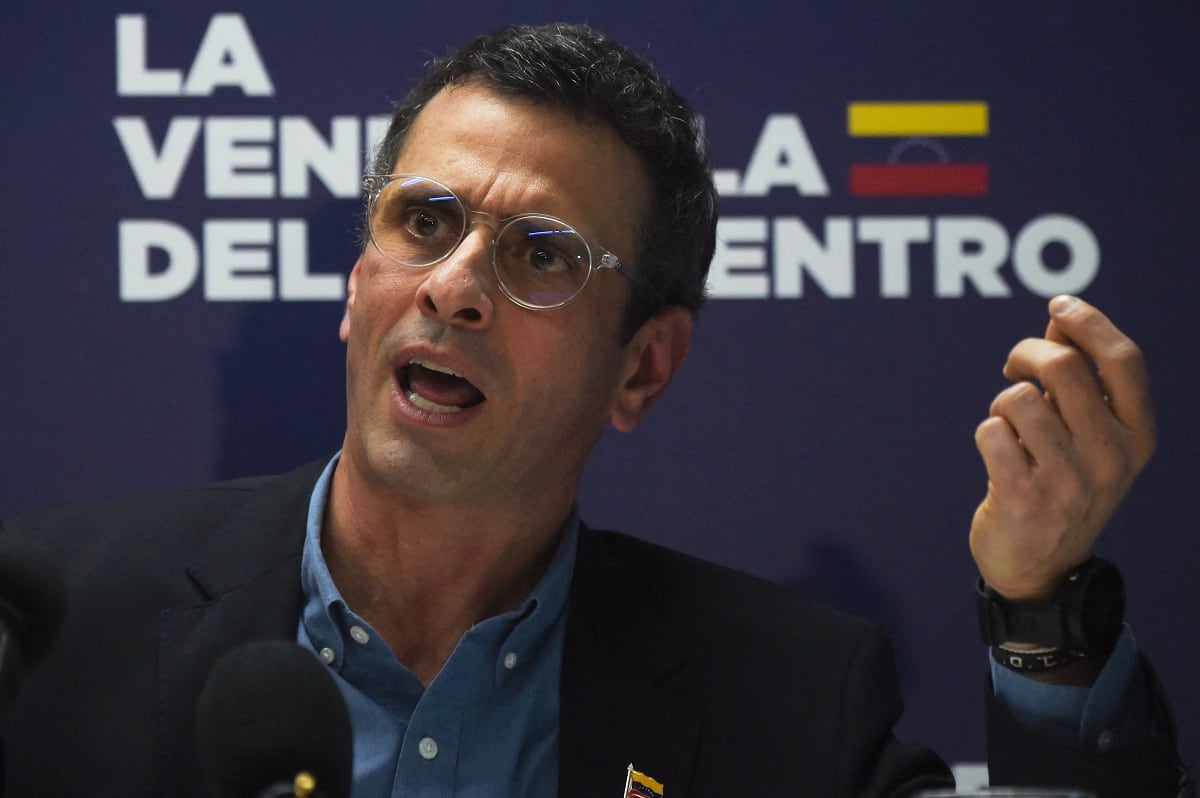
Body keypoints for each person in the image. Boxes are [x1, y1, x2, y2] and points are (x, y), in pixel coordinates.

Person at [1, 22, 1192, 798]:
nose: (456, 286)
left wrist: (1039, 603)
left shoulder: (788, 706)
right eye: (423, 223)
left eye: (541, 254)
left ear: (643, 370)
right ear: (359, 285)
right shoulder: (48, 631)